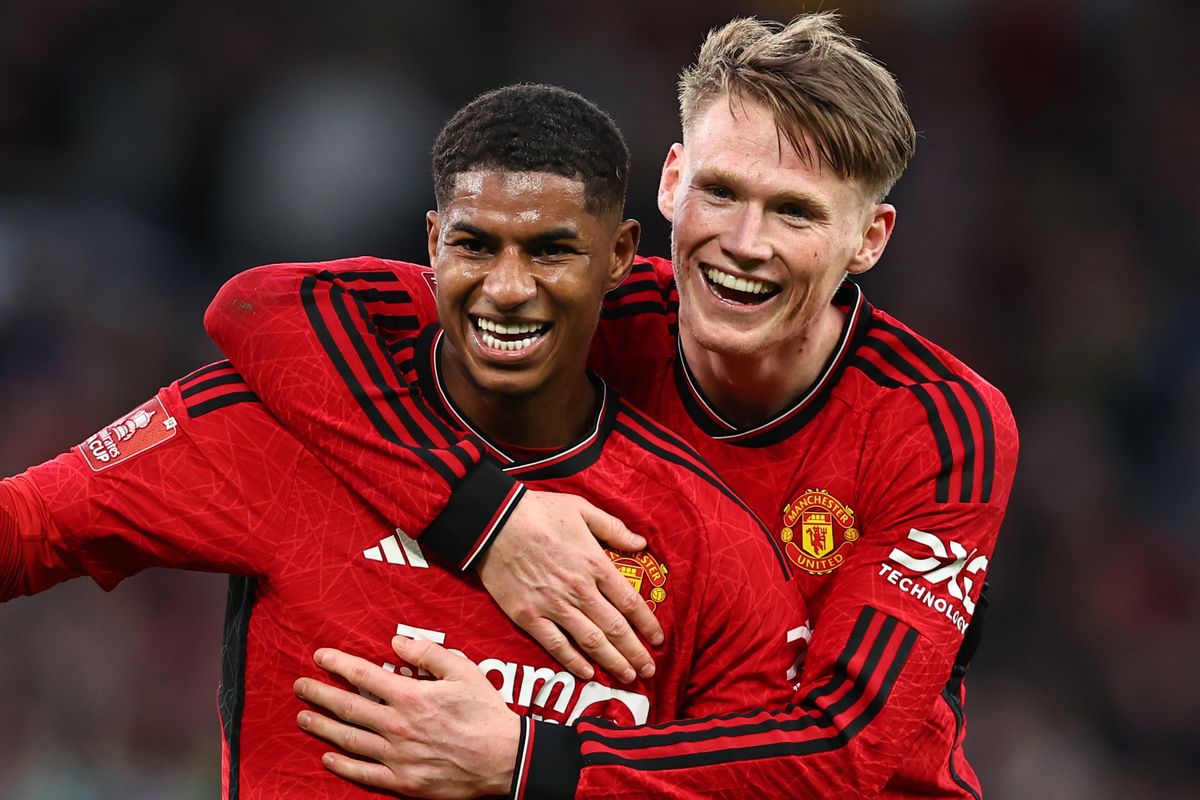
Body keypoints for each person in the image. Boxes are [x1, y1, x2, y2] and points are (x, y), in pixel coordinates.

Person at [206, 13, 1019, 799]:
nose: (744, 242)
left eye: (795, 211)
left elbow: (841, 747)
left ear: (870, 239)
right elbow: (264, 309)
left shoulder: (940, 426)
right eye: (722, 192)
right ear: (670, 183)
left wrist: (533, 764)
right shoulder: (593, 308)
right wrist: (483, 517)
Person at [0, 84, 807, 798]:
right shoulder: (284, 428)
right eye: (476, 245)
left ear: (622, 257)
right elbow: (26, 529)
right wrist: (482, 519)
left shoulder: (707, 536)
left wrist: (530, 766)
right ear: (432, 243)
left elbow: (774, 780)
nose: (509, 288)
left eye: (552, 249)